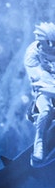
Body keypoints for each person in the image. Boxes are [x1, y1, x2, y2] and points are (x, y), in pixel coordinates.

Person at [25, 21, 55, 167]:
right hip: (45, 92)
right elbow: (42, 81)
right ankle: (39, 145)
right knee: (46, 110)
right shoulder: (32, 55)